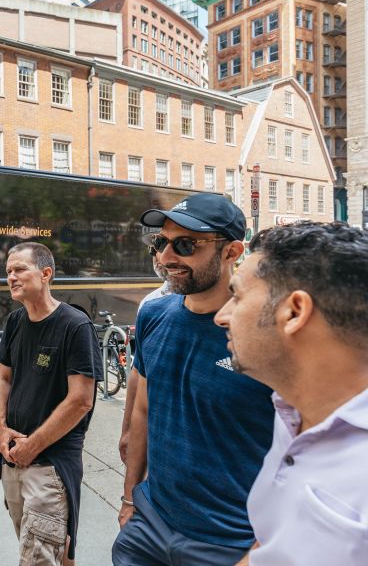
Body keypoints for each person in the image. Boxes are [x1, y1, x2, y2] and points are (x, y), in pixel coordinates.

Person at [113, 192, 275, 566]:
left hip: (231, 541)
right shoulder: (153, 313)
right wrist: (129, 499)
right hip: (150, 523)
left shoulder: (266, 334)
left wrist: (259, 551)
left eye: (185, 244)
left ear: (232, 252)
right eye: (161, 242)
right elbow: (142, 409)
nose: (167, 258)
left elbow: (301, 449)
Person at [215, 221, 368, 566]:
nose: (222, 317)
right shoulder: (290, 412)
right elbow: (270, 544)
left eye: (237, 295)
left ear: (295, 312)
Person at [0, 242, 102, 565]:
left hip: (51, 463)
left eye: (20, 270)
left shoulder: (75, 326)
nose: (11, 277)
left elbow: (81, 400)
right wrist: (1, 429)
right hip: (13, 455)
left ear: (46, 273)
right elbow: (2, 378)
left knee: (38, 558)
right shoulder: (15, 322)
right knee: (51, 551)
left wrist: (33, 446)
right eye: (8, 271)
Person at [118, 248, 172, 463]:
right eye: (157, 248)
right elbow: (138, 373)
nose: (161, 256)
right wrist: (127, 429)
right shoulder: (150, 304)